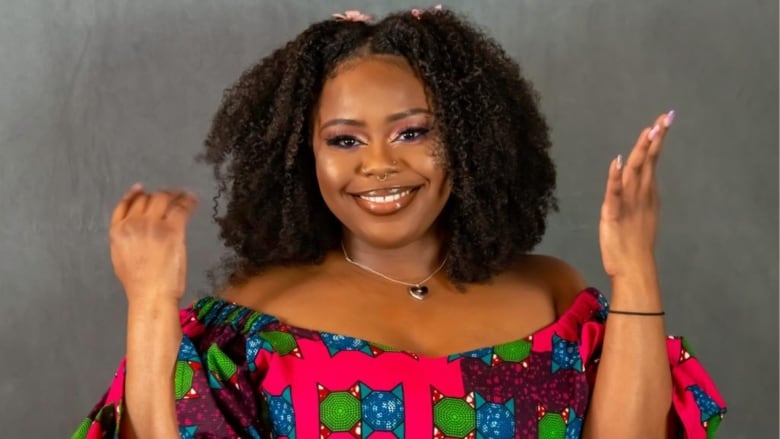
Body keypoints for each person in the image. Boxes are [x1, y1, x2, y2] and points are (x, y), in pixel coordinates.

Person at [73, 6, 726, 439]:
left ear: (469, 141)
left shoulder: (552, 297)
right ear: (304, 157)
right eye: (345, 140)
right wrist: (150, 302)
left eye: (414, 131)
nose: (381, 165)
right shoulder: (247, 327)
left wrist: (635, 266)